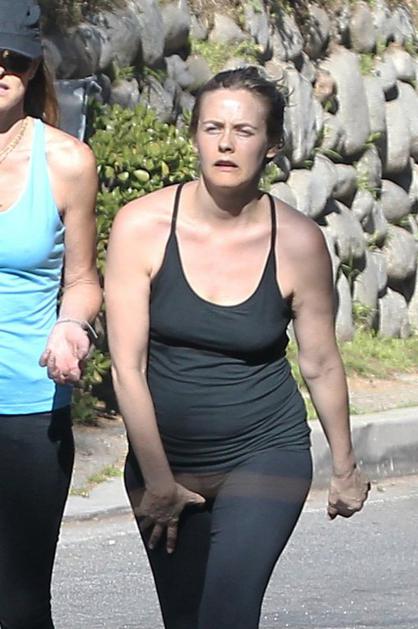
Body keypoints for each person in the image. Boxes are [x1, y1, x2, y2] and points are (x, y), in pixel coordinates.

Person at [105, 65, 370, 629]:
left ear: (271, 145)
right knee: (185, 619)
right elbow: (127, 368)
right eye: (213, 128)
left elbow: (321, 363)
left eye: (244, 131)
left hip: (265, 452)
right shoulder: (141, 226)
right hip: (163, 459)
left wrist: (345, 466)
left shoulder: (298, 242)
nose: (225, 143)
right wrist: (158, 480)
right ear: (195, 136)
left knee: (227, 613)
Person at [0, 1, 102, 627]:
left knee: (18, 602)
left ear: (34, 67)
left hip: (29, 405)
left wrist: (71, 326)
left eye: (12, 58)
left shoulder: (67, 161)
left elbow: (83, 280)